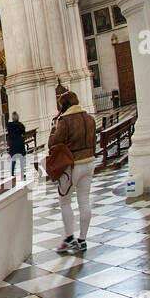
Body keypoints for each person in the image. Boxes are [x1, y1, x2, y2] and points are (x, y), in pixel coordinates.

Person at [49, 90, 96, 254]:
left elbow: (54, 144)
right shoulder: (90, 119)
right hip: (89, 163)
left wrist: (54, 127)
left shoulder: (64, 121)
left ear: (65, 105)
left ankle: (69, 238)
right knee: (84, 201)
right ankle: (82, 240)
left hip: (72, 166)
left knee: (65, 202)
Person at [6, 111, 27, 181]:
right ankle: (22, 174)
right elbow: (24, 133)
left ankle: (12, 174)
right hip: (20, 143)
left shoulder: (9, 126)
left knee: (13, 160)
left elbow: (8, 133)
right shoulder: (20, 125)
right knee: (21, 160)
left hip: (13, 143)